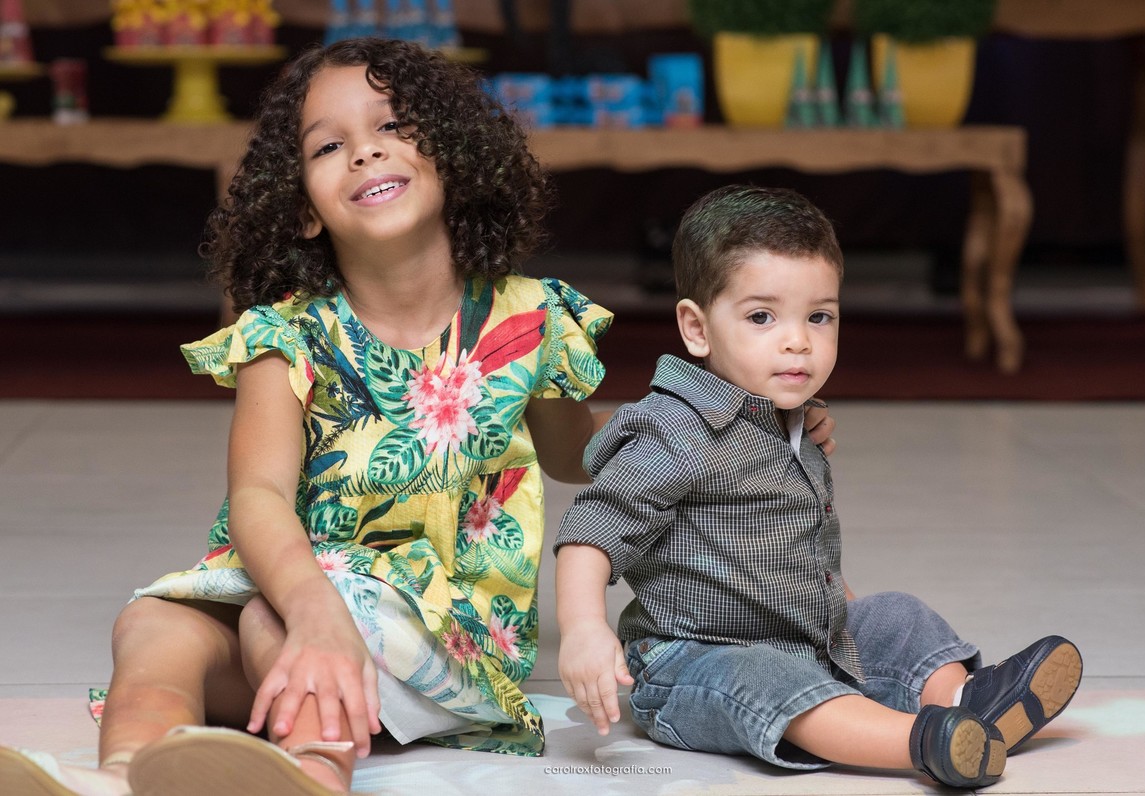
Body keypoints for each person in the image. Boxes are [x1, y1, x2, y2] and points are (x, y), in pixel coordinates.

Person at [0, 44, 837, 796]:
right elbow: (256, 497)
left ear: (455, 160)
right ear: (303, 208)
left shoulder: (527, 323)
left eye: (393, 125)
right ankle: (116, 779)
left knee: (267, 619)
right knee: (151, 625)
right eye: (328, 145)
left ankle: (311, 774)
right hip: (294, 594)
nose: (363, 148)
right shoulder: (285, 336)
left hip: (451, 635)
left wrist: (734, 419)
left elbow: (582, 456)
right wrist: (315, 606)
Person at [554, 185, 1083, 789]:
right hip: (695, 659)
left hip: (807, 632)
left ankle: (966, 700)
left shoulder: (792, 419)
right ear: (696, 329)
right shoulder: (672, 431)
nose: (797, 340)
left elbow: (803, 543)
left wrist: (854, 620)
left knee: (895, 615)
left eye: (819, 316)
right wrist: (584, 631)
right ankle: (921, 741)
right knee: (768, 681)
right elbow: (590, 532)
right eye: (762, 317)